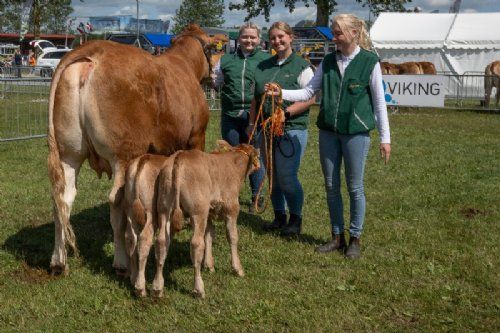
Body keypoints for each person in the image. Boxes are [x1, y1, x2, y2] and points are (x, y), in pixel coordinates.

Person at [266, 14, 391, 258]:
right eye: (334, 32)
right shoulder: (329, 60)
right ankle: (336, 236)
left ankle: (355, 237)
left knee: (355, 187)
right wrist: (281, 92)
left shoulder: (369, 61)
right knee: (331, 186)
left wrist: (385, 138)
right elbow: (309, 92)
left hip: (356, 133)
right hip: (328, 133)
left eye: (338, 33)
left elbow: (379, 102)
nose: (334, 37)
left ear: (354, 34)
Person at [250, 21, 316, 236]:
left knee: (287, 175)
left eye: (281, 37)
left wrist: (285, 113)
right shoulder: (263, 66)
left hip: (292, 128)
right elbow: (255, 98)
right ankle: (280, 216)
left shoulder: (302, 66)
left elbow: (310, 98)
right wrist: (252, 123)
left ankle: (295, 219)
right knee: (272, 175)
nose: (277, 41)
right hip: (265, 128)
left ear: (290, 38)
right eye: (274, 38)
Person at [212, 22, 269, 213]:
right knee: (232, 156)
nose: (249, 40)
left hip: (256, 115)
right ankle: (230, 195)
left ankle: (256, 196)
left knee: (254, 154)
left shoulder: (266, 60)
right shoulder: (226, 60)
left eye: (253, 37)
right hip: (230, 114)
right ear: (239, 38)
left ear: (259, 40)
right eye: (245, 37)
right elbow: (217, 81)